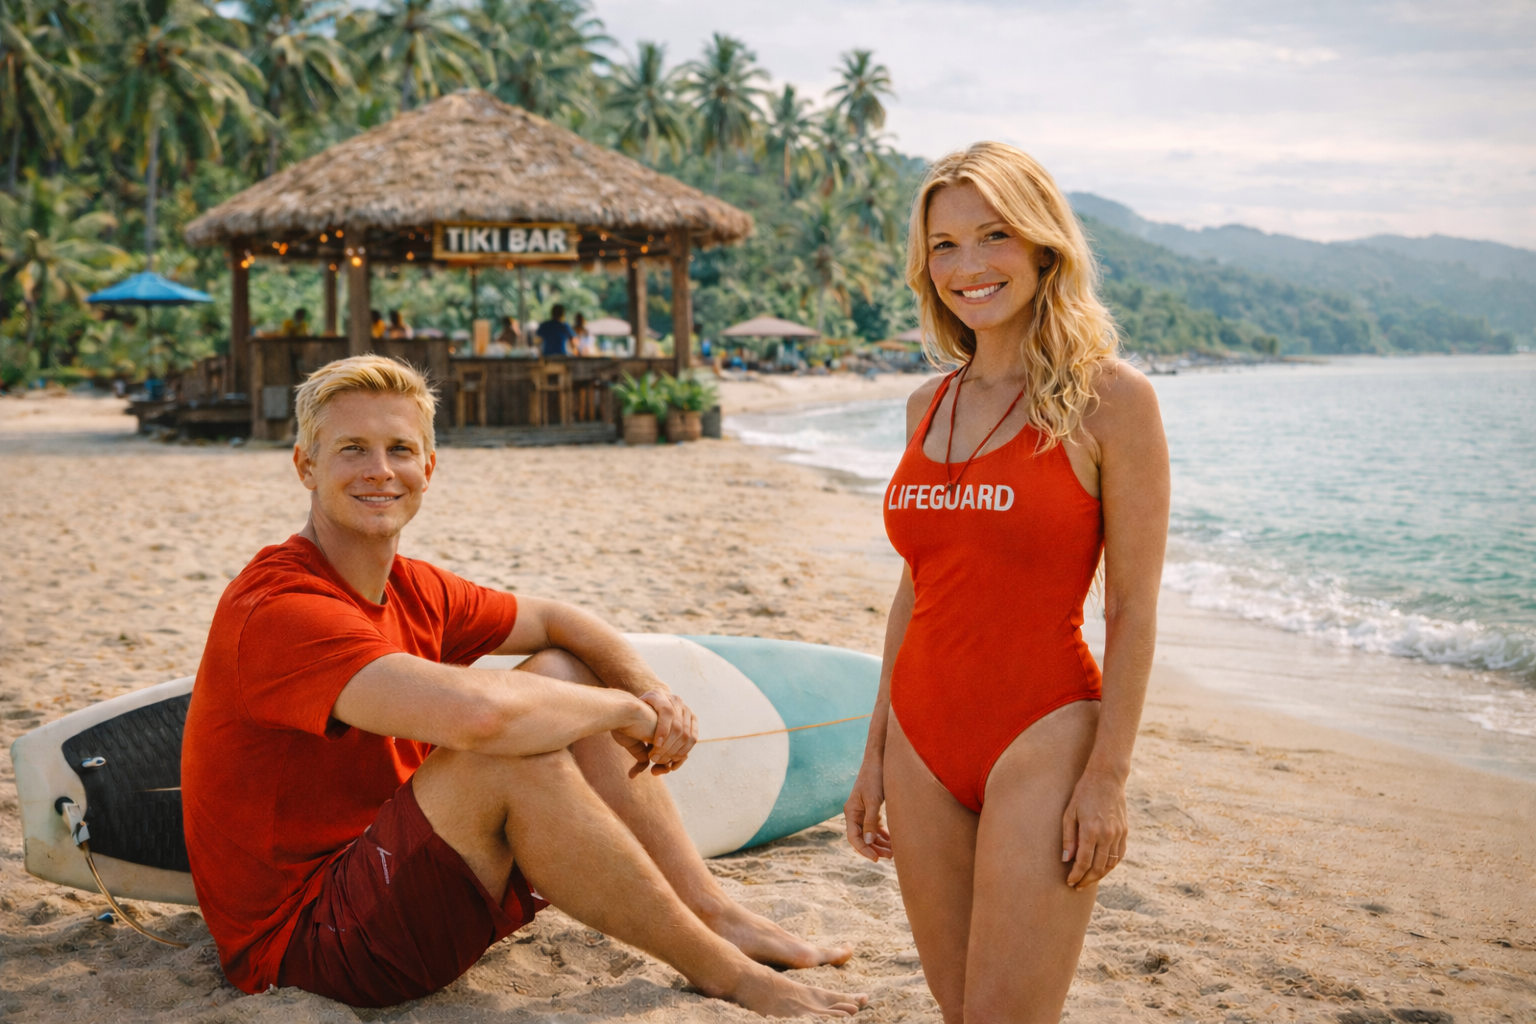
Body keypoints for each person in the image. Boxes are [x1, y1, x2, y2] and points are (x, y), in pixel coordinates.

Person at [181, 355, 866, 1017]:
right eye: (352, 449)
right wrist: (620, 711)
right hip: (312, 948)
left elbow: (557, 621)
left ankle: (715, 913)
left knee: (564, 669)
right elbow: (481, 721)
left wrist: (646, 688)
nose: (380, 471)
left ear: (430, 467)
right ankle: (726, 974)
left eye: (399, 448)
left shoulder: (415, 586)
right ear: (305, 465)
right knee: (510, 751)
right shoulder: (277, 609)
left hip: (401, 878)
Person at [843, 142, 1170, 1023]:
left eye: (992, 235)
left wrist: (1109, 777)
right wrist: (874, 749)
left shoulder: (1113, 401)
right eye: (943, 245)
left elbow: (1133, 608)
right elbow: (919, 585)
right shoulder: (927, 405)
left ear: (1040, 246)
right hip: (919, 738)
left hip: (1044, 734)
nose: (968, 265)